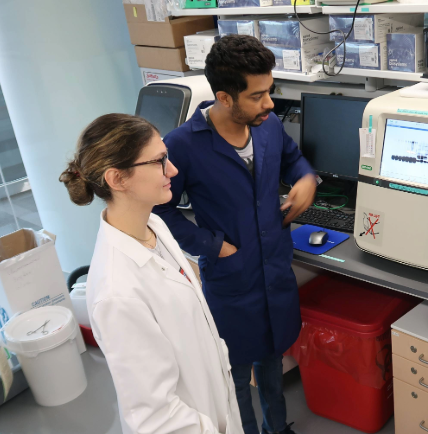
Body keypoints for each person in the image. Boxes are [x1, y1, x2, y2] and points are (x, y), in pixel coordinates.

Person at [153, 35, 316, 434]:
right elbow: (160, 209)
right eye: (258, 96)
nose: (270, 104)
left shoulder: (269, 126)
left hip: (274, 269)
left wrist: (307, 179)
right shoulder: (183, 145)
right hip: (231, 276)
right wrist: (211, 246)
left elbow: (294, 160)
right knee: (236, 375)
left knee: (274, 361)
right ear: (225, 98)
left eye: (270, 91)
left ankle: (277, 429)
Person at [60, 114, 243, 434]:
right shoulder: (117, 293)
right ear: (118, 179)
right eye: (160, 161)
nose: (172, 170)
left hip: (216, 406)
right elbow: (156, 418)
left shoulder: (153, 225)